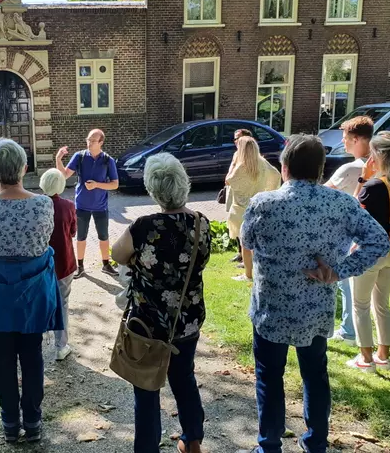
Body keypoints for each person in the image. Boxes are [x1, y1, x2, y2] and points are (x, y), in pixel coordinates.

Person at [239, 135, 390, 453]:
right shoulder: (341, 204)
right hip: (315, 309)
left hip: (271, 309)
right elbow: (379, 241)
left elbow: (247, 241)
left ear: (284, 167)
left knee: (269, 377)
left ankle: (269, 445)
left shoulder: (263, 204)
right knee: (315, 375)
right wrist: (340, 270)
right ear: (321, 170)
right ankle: (316, 443)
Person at [112, 153, 212, 453]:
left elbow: (117, 255)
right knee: (184, 378)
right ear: (184, 182)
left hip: (148, 322)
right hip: (187, 318)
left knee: (145, 389)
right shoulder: (200, 223)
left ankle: (147, 449)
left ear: (153, 189)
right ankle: (192, 439)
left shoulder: (144, 227)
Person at [0, 139, 64, 443]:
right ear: (24, 168)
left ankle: (10, 423)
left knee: (3, 360)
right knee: (33, 356)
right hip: (33, 295)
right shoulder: (43, 204)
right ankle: (33, 421)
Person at [347, 131, 390, 373]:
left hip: (369, 251)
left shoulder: (373, 186)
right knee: (382, 304)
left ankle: (365, 359)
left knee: (360, 304)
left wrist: (362, 180)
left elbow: (353, 213)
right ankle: (383, 356)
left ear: (379, 156)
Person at [324, 116, 374, 346]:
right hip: (371, 231)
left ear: (355, 139)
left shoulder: (350, 168)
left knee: (346, 284)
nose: (343, 143)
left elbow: (323, 194)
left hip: (346, 233)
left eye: (345, 139)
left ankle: (349, 330)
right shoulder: (379, 164)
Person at [55, 129, 120, 279]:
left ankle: (106, 265)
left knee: (103, 236)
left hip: (101, 206)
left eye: (93, 141)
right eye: (88, 140)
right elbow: (64, 175)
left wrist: (97, 184)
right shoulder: (80, 156)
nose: (89, 143)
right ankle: (80, 267)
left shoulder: (107, 160)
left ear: (101, 142)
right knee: (81, 237)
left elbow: (115, 184)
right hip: (81, 205)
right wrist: (59, 159)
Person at [226, 136, 281, 282]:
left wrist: (233, 163)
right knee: (257, 244)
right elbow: (276, 175)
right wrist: (268, 191)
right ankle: (259, 270)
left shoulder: (240, 166)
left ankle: (248, 274)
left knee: (245, 244)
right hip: (258, 207)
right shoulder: (262, 163)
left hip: (241, 208)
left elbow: (229, 181)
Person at [39, 168, 77, 361]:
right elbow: (72, 232)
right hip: (64, 261)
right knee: (62, 302)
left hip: (40, 263)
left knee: (40, 301)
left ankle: (38, 340)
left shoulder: (35, 204)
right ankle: (61, 346)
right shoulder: (68, 206)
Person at [226, 129, 253, 264]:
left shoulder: (252, 157)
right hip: (234, 191)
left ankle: (247, 257)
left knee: (245, 225)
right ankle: (239, 253)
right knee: (236, 222)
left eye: (238, 139)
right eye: (235, 139)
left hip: (246, 196)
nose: (236, 142)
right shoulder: (236, 154)